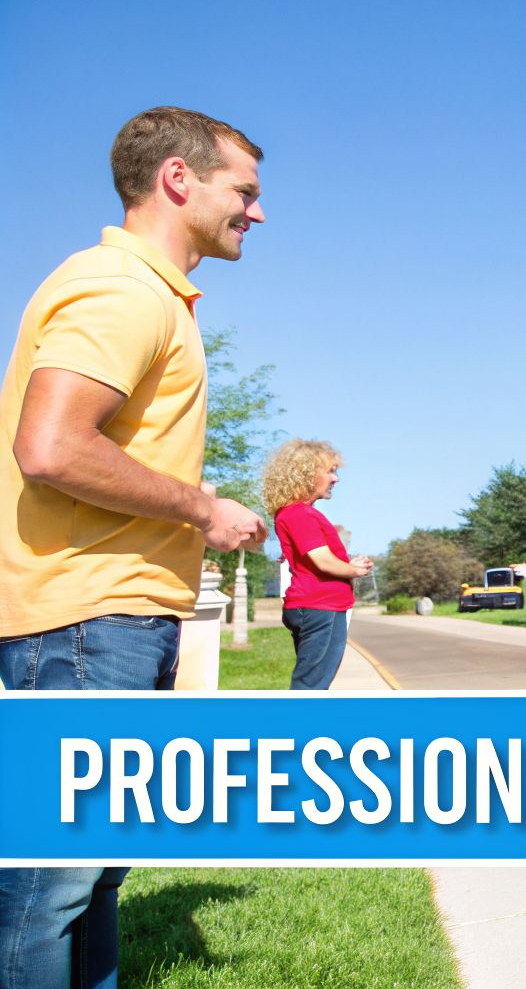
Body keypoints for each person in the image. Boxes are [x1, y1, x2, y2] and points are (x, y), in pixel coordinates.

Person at [0, 107, 268, 988]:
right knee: (51, 884)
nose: (256, 214)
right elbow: (49, 446)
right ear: (179, 180)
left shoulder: (157, 297)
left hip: (116, 617)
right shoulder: (122, 289)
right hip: (84, 619)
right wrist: (203, 509)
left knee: (94, 872)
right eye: (245, 192)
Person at [263, 438, 373, 690]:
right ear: (306, 473)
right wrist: (354, 570)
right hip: (318, 607)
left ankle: (304, 726)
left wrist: (349, 564)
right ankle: (296, 728)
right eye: (330, 471)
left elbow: (313, 558)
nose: (336, 479)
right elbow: (321, 560)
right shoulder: (299, 513)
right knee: (311, 685)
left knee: (315, 683)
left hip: (320, 607)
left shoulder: (297, 513)